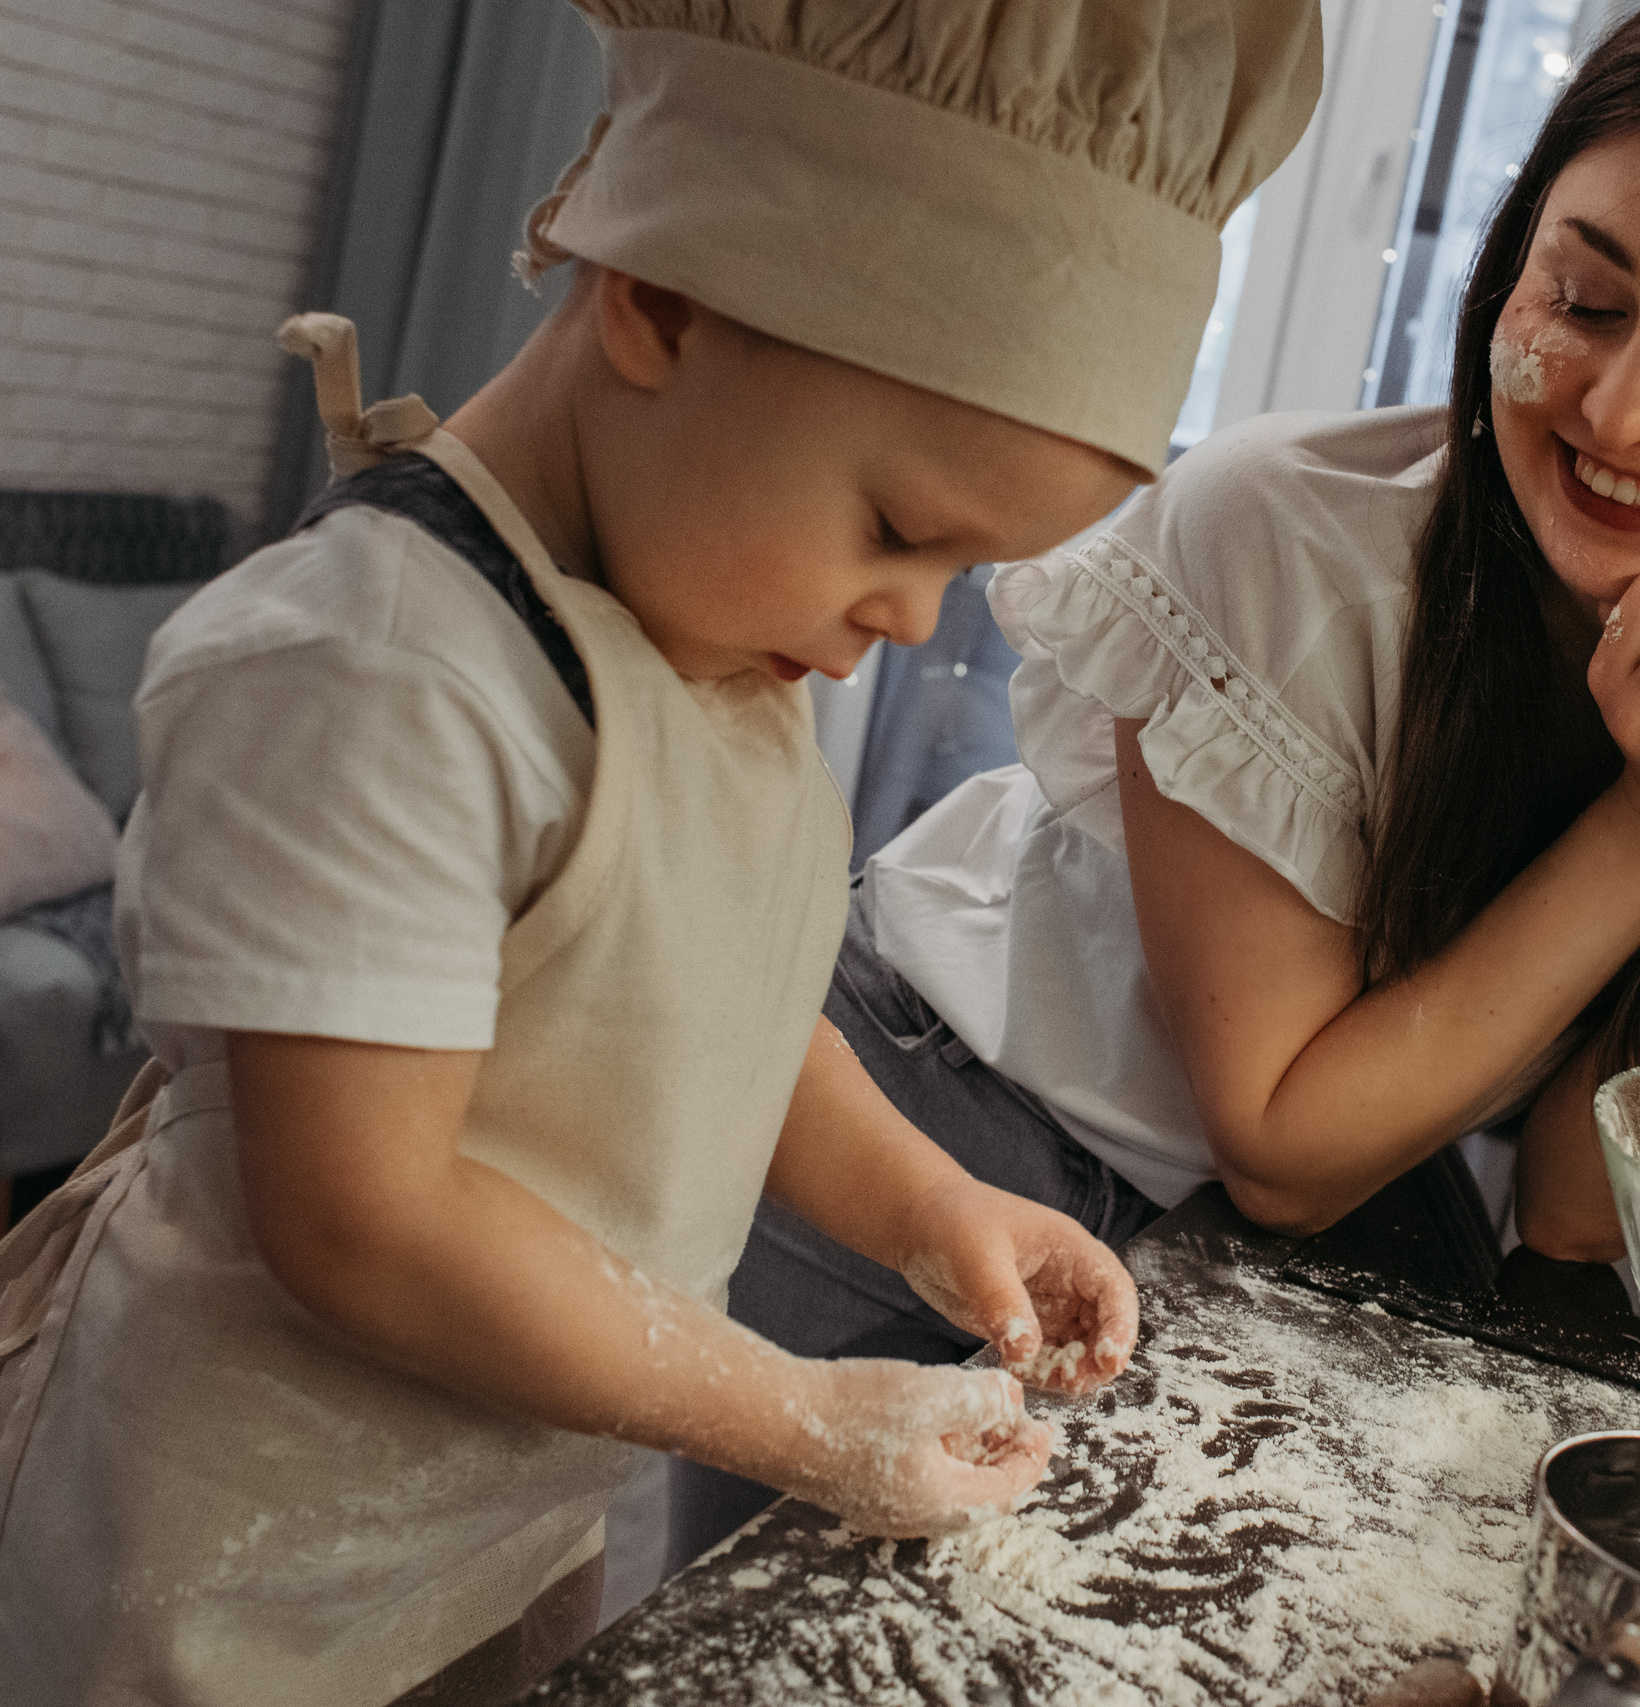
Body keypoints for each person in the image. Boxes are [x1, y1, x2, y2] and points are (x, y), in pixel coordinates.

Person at [0, 3, 1320, 1702]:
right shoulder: (373, 667)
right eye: (900, 529)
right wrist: (797, 1412)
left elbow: (731, 1023)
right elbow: (366, 1216)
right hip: (215, 1576)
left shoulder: (715, 642)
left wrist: (935, 1208)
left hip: (491, 1530)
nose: (904, 623)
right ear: (663, 300)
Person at [670, 0, 1640, 1551]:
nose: (1621, 407)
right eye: (1581, 300)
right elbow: (1290, 1147)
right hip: (941, 1139)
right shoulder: (1286, 543)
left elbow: (1590, 1224)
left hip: (1279, 1250)